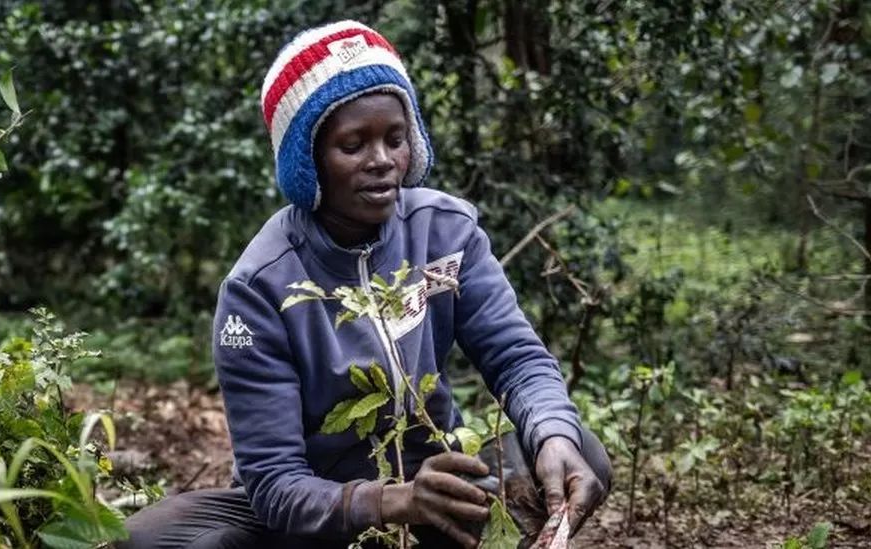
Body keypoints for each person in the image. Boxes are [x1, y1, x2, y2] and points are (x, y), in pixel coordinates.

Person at [117, 19, 612, 549]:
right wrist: (391, 501)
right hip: (316, 507)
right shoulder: (258, 288)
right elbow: (275, 481)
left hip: (436, 481)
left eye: (395, 139)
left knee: (575, 447)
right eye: (353, 145)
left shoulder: (446, 232)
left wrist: (549, 434)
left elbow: (517, 358)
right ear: (308, 160)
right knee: (142, 538)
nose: (381, 161)